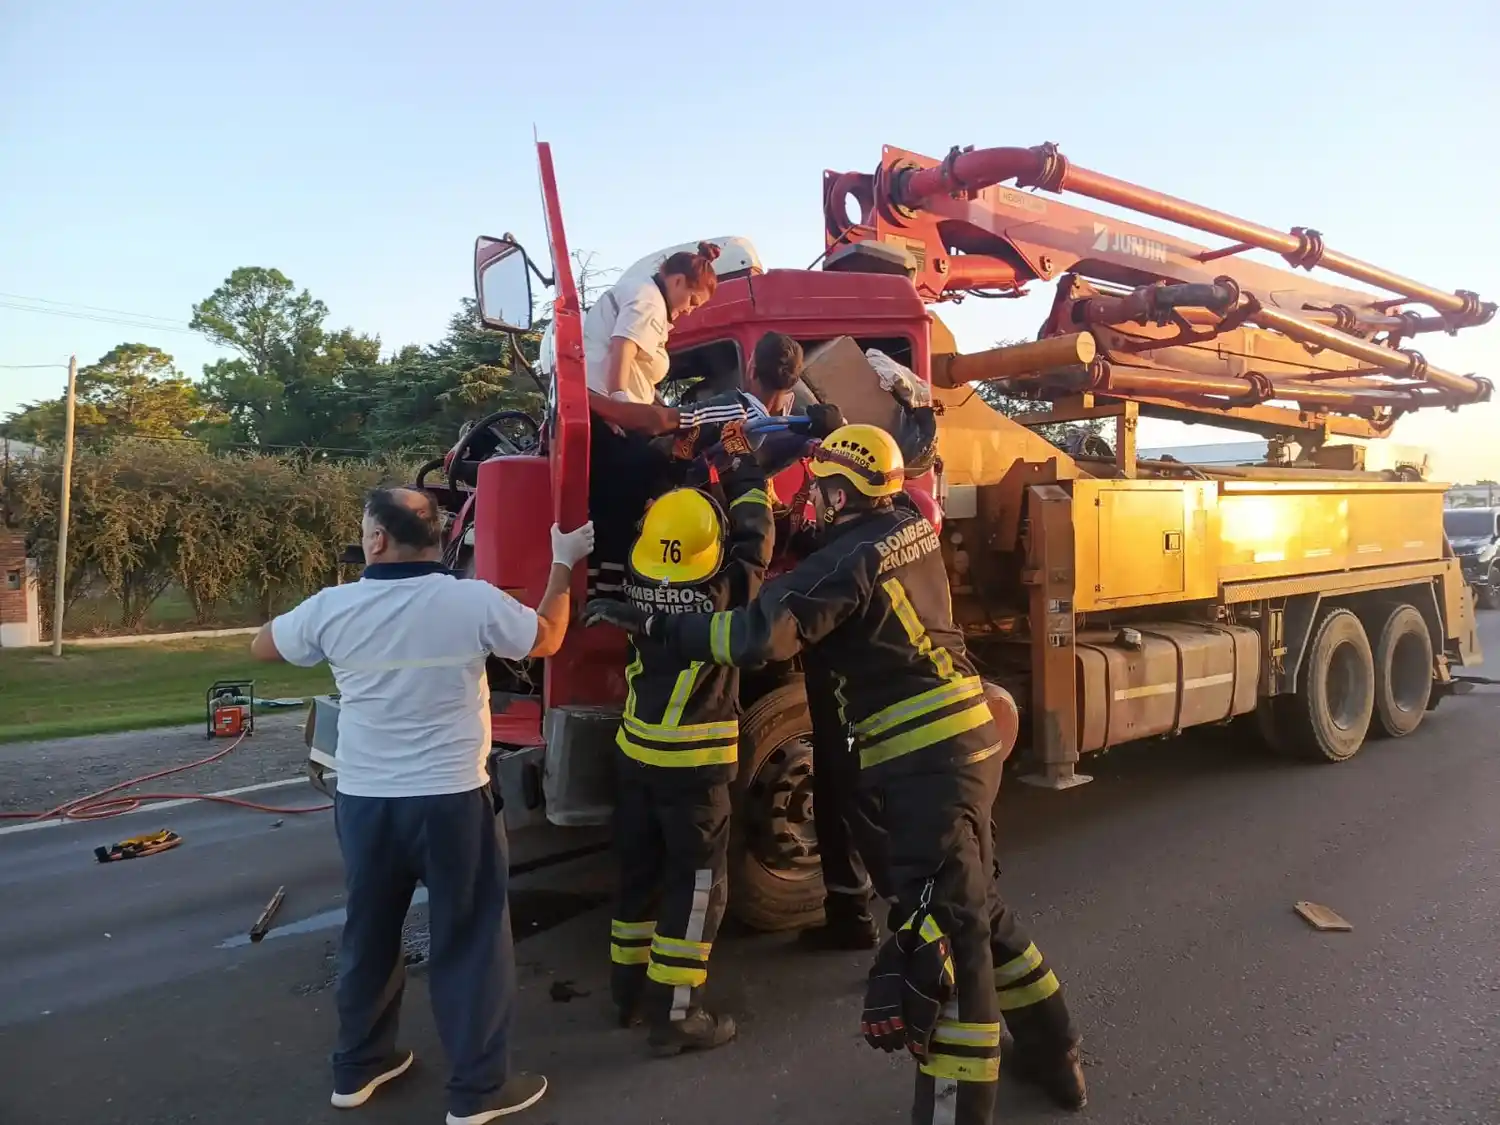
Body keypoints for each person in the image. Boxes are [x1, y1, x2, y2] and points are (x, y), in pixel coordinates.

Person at [581, 425, 1086, 1124]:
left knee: (945, 942)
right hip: (963, 744)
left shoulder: (843, 562)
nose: (812, 497)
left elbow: (753, 635)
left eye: (820, 485)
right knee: (979, 910)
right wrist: (795, 451)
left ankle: (953, 1109)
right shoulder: (908, 522)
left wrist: (656, 624)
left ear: (842, 491)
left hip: (924, 768)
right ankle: (1054, 1049)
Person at [250, 486, 595, 1125]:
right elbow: (546, 637)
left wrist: (321, 619)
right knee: (468, 941)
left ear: (376, 540)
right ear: (438, 538)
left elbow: (262, 648)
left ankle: (358, 1067)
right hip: (451, 804)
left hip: (367, 805)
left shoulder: (334, 608)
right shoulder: (470, 602)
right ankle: (477, 1094)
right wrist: (562, 562)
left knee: (370, 931)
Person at [600, 462, 774, 1056]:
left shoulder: (635, 576)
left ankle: (627, 994)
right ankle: (677, 1014)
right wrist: (749, 476)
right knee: (697, 886)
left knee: (639, 879)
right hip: (693, 766)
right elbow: (753, 545)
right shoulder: (720, 594)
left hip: (635, 752)